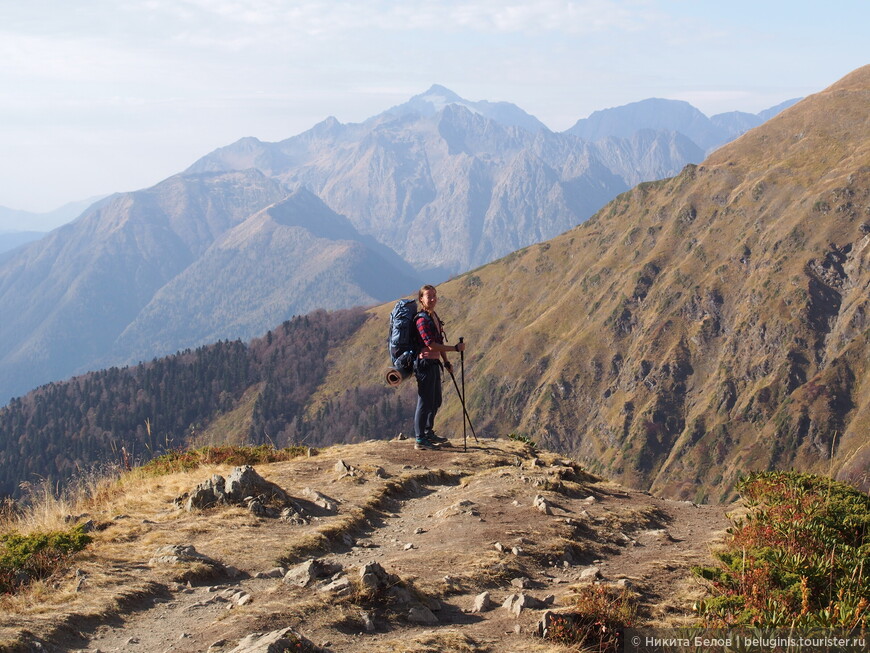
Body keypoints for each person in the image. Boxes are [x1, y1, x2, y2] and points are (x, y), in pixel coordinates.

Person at [413, 284, 465, 450]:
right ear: (422, 299)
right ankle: (420, 439)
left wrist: (446, 361)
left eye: (435, 295)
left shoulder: (433, 316)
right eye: (429, 296)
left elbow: (439, 341)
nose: (433, 299)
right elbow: (430, 345)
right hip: (425, 363)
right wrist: (455, 349)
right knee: (425, 401)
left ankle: (428, 432)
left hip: (434, 363)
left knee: (436, 400)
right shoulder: (421, 319)